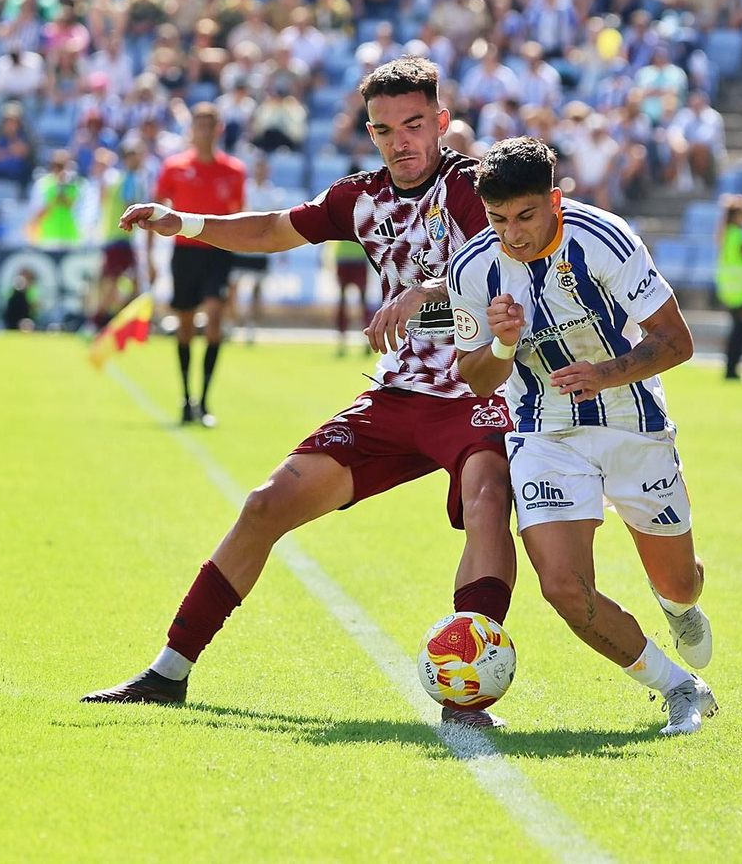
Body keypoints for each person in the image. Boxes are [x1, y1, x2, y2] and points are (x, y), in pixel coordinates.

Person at [82, 59, 517, 730]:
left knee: (489, 498)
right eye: (384, 128)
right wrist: (187, 223)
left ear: (439, 119)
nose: (401, 140)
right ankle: (169, 671)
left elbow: (504, 255)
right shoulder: (360, 197)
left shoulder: (473, 186)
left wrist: (429, 291)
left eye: (414, 124)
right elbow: (270, 230)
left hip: (479, 387)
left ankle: (467, 695)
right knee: (264, 505)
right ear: (369, 132)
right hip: (398, 393)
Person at [447, 137, 717, 736]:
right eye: (497, 219)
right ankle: (680, 687)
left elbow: (678, 341)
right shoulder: (472, 268)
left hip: (632, 421)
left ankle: (678, 606)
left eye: (526, 216)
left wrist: (603, 374)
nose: (512, 234)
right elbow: (476, 378)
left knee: (680, 579)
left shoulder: (606, 240)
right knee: (564, 587)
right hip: (543, 432)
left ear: (555, 199)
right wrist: (503, 345)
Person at [153, 103, 248, 427]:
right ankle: (186, 397)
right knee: (184, 325)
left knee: (214, 320)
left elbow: (239, 219)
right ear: (192, 129)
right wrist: (151, 257)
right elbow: (157, 212)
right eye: (200, 125)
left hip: (218, 253)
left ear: (219, 129)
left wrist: (236, 259)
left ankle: (205, 400)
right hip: (185, 252)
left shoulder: (234, 170)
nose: (205, 132)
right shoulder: (174, 167)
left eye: (211, 126)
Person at [90, 141, 155, 330]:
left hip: (114, 237)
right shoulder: (130, 179)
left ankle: (114, 320)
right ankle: (99, 321)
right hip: (121, 237)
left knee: (122, 281)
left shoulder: (117, 179)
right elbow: (132, 205)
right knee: (117, 281)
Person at [715, 194, 742, 382]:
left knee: (738, 329)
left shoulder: (726, 234)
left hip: (730, 290)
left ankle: (731, 367)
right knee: (741, 330)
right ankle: (732, 370)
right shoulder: (739, 235)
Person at [333, 235, 370, 356]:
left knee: (362, 304)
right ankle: (342, 342)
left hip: (357, 258)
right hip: (346, 259)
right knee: (344, 304)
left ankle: (367, 341)